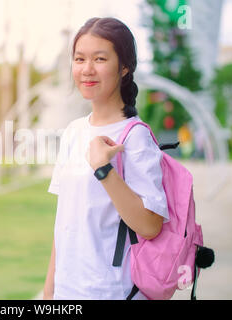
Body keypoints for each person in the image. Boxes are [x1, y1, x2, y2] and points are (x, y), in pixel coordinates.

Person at [43, 17, 169, 300]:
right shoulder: (74, 131)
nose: (87, 70)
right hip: (67, 291)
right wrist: (49, 292)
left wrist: (104, 169)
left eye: (100, 59)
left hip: (111, 292)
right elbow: (65, 223)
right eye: (79, 59)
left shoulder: (134, 137)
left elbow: (150, 226)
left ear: (124, 67)